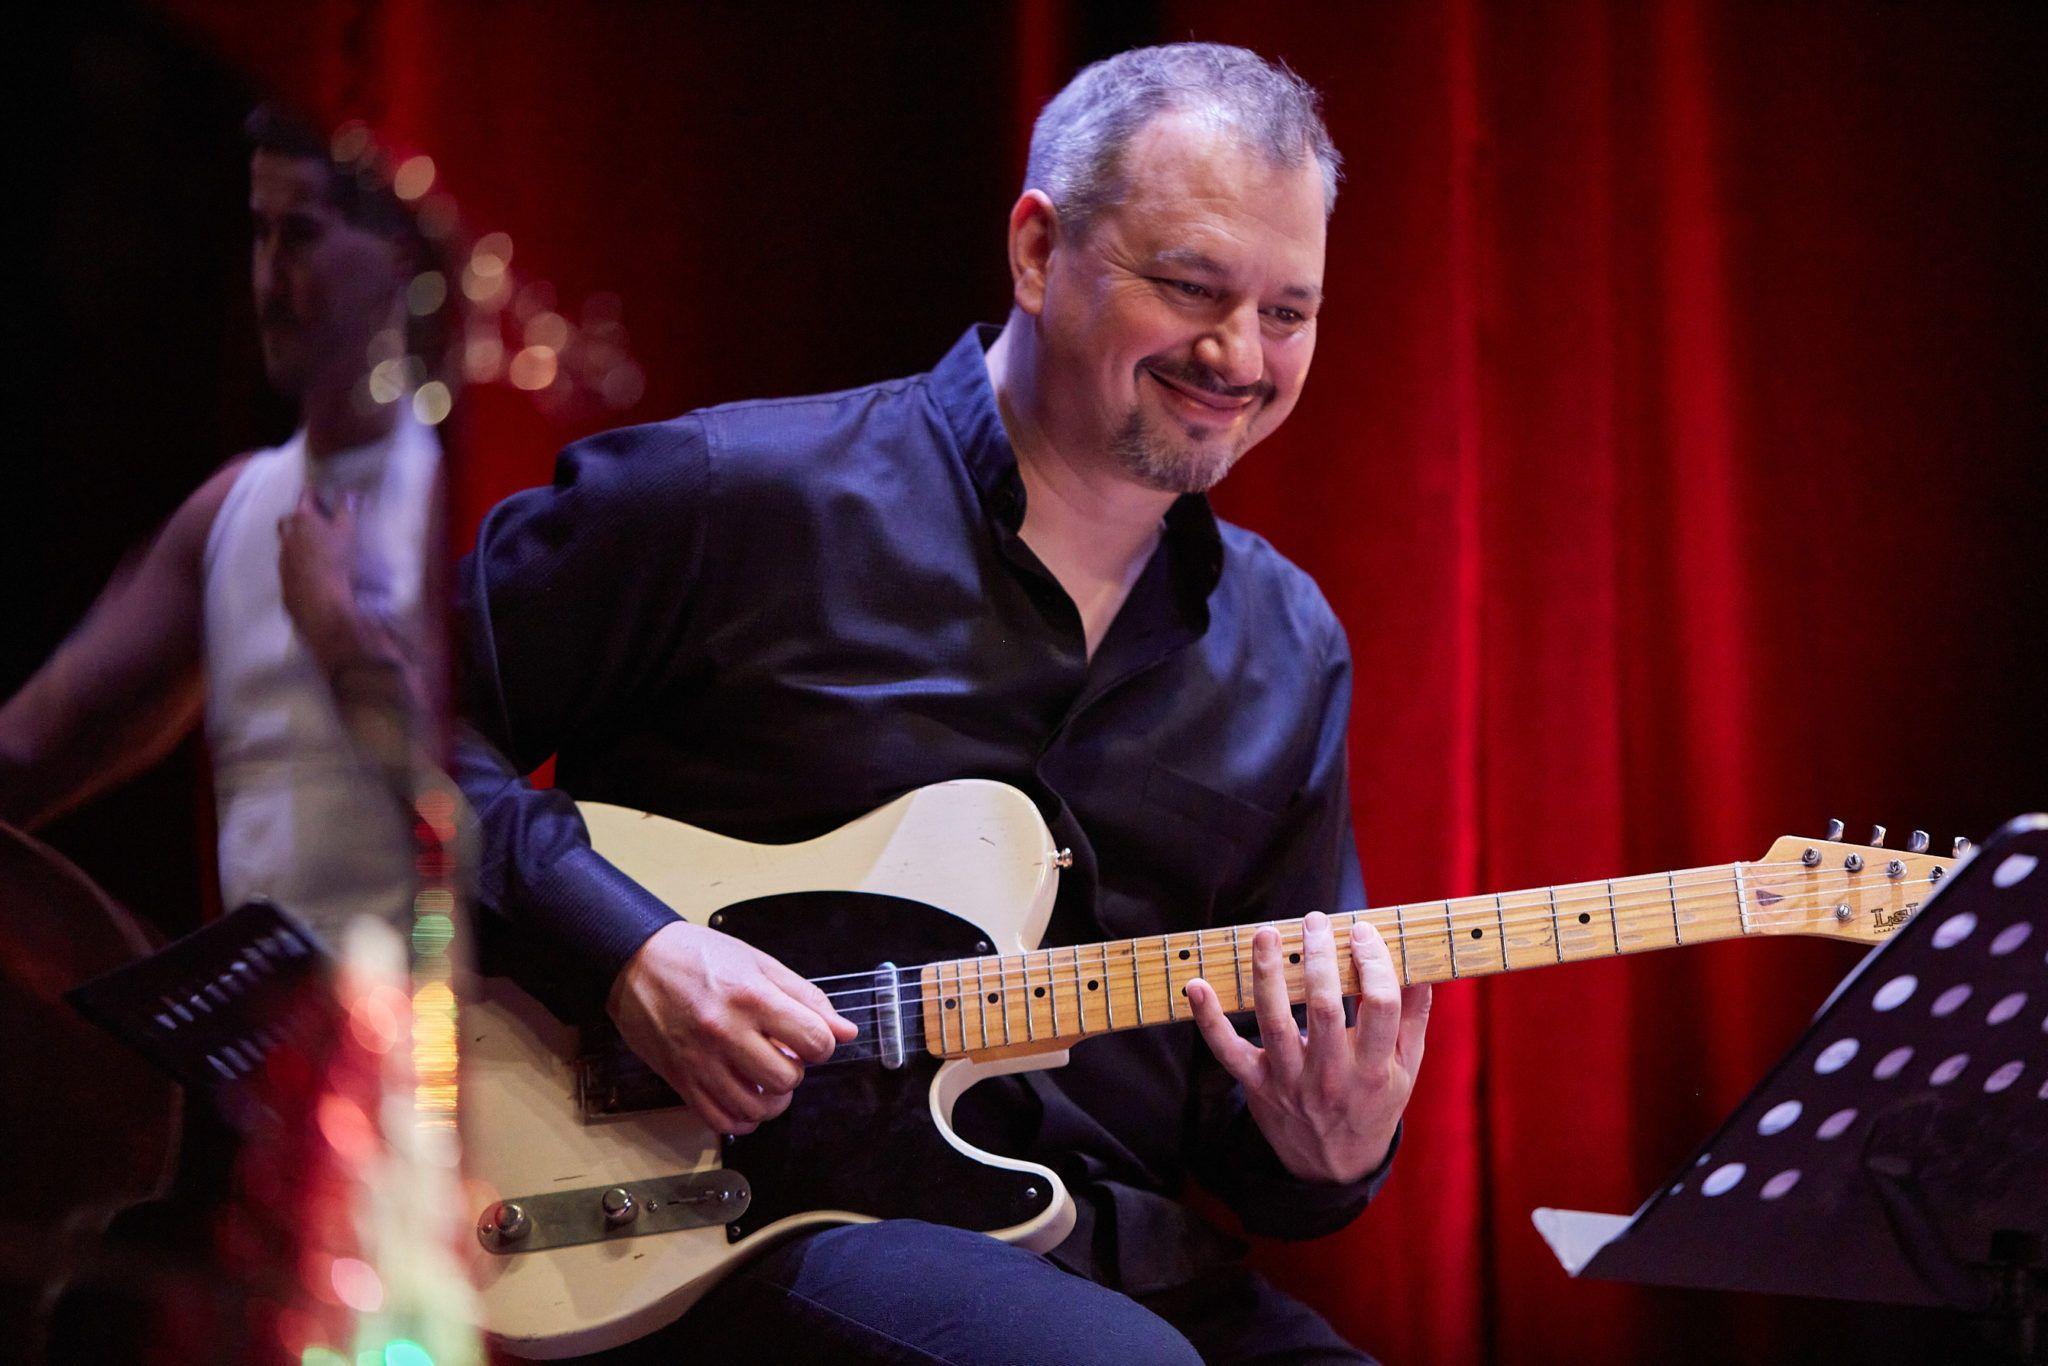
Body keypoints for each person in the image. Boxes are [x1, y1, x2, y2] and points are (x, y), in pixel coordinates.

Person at [456, 44, 1430, 1363]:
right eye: (1192, 287)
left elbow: (1243, 1142)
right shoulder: (738, 496)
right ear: (1036, 251)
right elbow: (367, 720)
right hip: (725, 1226)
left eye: (1288, 312)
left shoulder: (1287, 644)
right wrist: (628, 946)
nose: (1237, 354)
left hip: (1118, 1265)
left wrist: (1329, 1148)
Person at [0, 107, 444, 946]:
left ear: (396, 250)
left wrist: (343, 634)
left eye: (303, 236)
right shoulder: (233, 509)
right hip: (266, 1057)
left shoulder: (461, 494)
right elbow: (35, 748)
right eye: (259, 234)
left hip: (448, 1048)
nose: (271, 279)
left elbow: (499, 820)